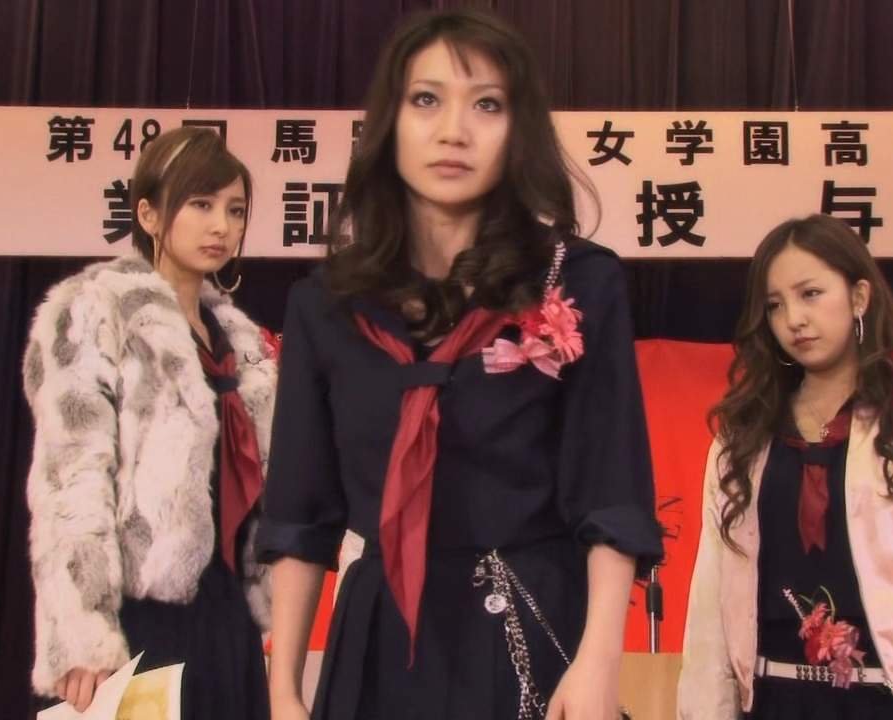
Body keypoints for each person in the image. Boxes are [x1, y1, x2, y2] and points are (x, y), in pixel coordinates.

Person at [256, 9, 662, 720]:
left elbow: (610, 488)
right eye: (426, 99)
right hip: (381, 641)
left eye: (487, 105)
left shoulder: (577, 280)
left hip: (531, 622)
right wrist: (284, 692)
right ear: (389, 122)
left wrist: (600, 660)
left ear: (518, 129)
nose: (454, 131)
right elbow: (300, 513)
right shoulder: (326, 303)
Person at [677, 214, 893, 719]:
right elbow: (710, 609)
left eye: (811, 294)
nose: (794, 319)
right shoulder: (746, 433)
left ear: (860, 297)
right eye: (775, 305)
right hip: (775, 700)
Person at [23, 126, 276, 719]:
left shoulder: (238, 341)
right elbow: (70, 478)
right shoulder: (95, 308)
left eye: (235, 210)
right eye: (201, 204)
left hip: (226, 611)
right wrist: (83, 634)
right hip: (140, 614)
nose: (221, 226)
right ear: (148, 214)